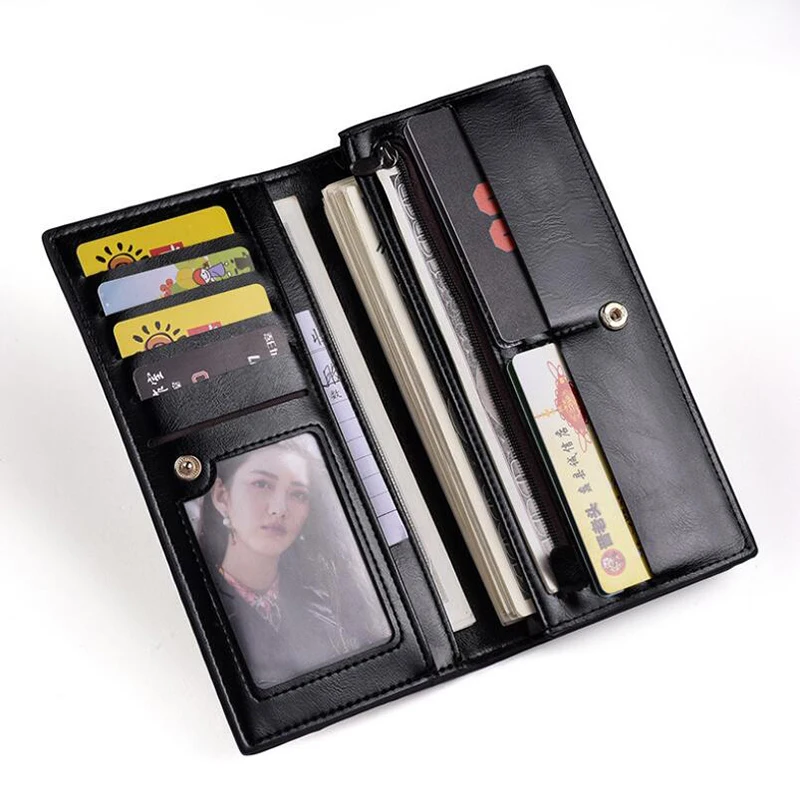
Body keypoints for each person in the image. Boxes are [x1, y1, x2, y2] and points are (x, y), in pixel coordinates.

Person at [196, 434, 389, 688]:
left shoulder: (327, 610)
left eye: (298, 495)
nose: (279, 509)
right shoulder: (199, 602)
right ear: (222, 496)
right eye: (262, 484)